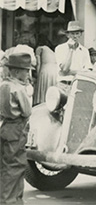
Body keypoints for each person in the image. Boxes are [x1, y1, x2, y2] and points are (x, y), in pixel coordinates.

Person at [0, 53, 33, 204]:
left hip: (6, 126)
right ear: (17, 72)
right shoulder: (18, 88)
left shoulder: (3, 85)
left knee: (7, 166)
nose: (28, 74)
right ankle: (10, 200)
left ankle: (13, 199)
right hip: (17, 128)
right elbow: (27, 111)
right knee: (16, 166)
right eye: (26, 70)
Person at [34, 37, 58, 105]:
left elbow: (38, 63)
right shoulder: (51, 50)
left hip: (46, 70)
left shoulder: (40, 48)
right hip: (54, 70)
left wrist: (38, 76)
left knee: (43, 90)